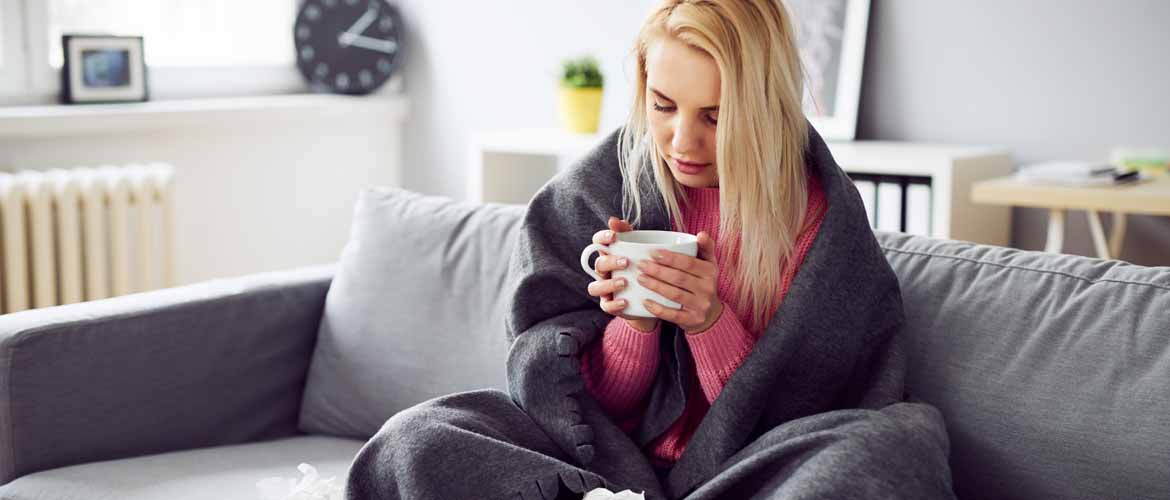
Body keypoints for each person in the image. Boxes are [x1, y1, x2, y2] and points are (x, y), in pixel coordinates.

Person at [346, 1, 956, 499]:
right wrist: (632, 324)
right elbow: (573, 409)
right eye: (663, 107)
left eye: (716, 118)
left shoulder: (821, 222)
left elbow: (812, 414)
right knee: (419, 437)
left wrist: (710, 323)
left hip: (754, 473)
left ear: (764, 110)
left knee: (895, 443)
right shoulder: (603, 187)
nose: (681, 141)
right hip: (605, 471)